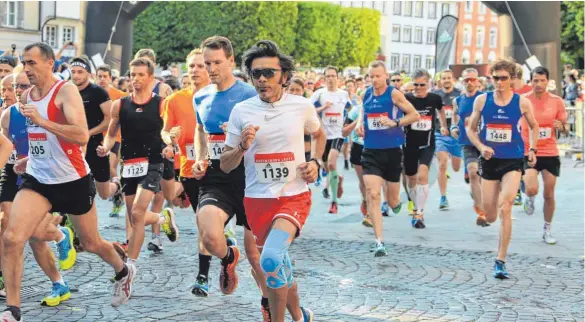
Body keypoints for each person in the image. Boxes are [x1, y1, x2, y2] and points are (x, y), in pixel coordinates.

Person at [1, 43, 136, 322]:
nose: (27, 69)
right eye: (24, 63)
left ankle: (123, 270)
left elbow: (80, 135)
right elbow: (39, 139)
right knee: (13, 238)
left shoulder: (65, 91)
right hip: (38, 179)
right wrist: (27, 159)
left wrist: (42, 119)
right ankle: (13, 310)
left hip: (72, 179)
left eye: (32, 63)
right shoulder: (26, 96)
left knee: (91, 243)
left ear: (50, 63)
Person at [221, 39, 323, 322]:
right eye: (256, 74)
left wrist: (315, 162)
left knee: (270, 259)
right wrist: (241, 146)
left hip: (293, 195)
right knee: (279, 264)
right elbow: (226, 164)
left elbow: (319, 134)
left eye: (269, 73)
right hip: (257, 200)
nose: (262, 79)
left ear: (285, 76)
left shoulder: (301, 106)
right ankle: (300, 317)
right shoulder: (242, 111)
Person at [191, 37, 265, 314]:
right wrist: (199, 158)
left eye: (217, 62)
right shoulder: (200, 96)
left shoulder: (249, 95)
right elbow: (201, 131)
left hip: (250, 177)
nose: (211, 68)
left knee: (256, 257)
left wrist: (238, 132)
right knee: (209, 234)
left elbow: (266, 135)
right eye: (207, 63)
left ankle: (269, 304)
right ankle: (227, 255)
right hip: (216, 175)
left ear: (231, 61)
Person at [0, 70, 76, 306]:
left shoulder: (49, 111)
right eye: (13, 87)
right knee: (8, 228)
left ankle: (61, 238)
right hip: (13, 174)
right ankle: (7, 280)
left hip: (40, 175)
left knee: (35, 236)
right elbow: (6, 145)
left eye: (23, 86)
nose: (16, 92)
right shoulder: (7, 115)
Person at [97, 57, 179, 268]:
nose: (136, 79)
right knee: (135, 217)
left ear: (151, 78)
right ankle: (163, 219)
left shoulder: (161, 104)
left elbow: (169, 131)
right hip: (130, 163)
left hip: (153, 161)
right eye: (133, 75)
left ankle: (130, 265)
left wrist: (171, 144)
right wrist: (106, 147)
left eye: (141, 75)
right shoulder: (120, 104)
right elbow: (111, 133)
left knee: (136, 213)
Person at [466, 58, 539, 279]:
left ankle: (501, 260)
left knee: (506, 206)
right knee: (490, 215)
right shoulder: (482, 100)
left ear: (512, 79)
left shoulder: (522, 103)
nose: (499, 82)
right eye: (495, 78)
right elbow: (470, 129)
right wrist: (481, 146)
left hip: (513, 160)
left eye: (503, 78)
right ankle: (485, 216)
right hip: (490, 160)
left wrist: (532, 149)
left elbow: (534, 126)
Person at [355, 60, 419, 257]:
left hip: (392, 151)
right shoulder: (366, 93)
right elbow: (363, 111)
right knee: (373, 193)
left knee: (392, 201)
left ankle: (396, 203)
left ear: (385, 76)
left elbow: (414, 115)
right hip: (370, 151)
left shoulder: (393, 93)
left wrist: (395, 122)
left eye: (377, 76)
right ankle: (379, 241)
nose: (374, 80)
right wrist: (359, 123)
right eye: (371, 76)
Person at [521, 67, 568, 244]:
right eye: (535, 80)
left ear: (547, 81)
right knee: (532, 188)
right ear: (530, 81)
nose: (538, 84)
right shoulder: (523, 100)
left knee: (549, 194)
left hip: (550, 151)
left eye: (542, 81)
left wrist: (561, 126)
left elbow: (565, 127)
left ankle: (547, 229)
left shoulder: (557, 101)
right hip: (528, 150)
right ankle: (529, 197)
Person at [403, 69, 447, 228]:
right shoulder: (406, 98)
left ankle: (420, 213)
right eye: (416, 85)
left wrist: (443, 126)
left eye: (422, 85)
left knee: (423, 175)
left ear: (428, 84)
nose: (419, 88)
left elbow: (441, 111)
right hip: (408, 144)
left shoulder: (434, 98)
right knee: (411, 179)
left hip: (427, 143)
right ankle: (415, 207)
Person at [310, 66, 352, 214]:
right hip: (323, 135)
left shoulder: (344, 94)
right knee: (327, 168)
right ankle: (337, 178)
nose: (330, 79)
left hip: (338, 134)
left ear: (338, 78)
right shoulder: (319, 93)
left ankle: (334, 202)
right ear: (324, 78)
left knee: (332, 163)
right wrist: (322, 108)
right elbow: (307, 109)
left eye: (333, 76)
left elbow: (351, 110)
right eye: (327, 76)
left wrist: (348, 125)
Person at [451, 68, 489, 227]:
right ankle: (481, 213)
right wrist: (453, 127)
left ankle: (480, 196)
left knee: (484, 177)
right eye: (466, 80)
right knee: (473, 173)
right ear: (462, 81)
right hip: (467, 142)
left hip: (485, 143)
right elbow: (455, 115)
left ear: (478, 81)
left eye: (472, 79)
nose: (469, 83)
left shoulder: (485, 99)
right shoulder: (458, 100)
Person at [96, 64, 128, 217]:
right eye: (99, 76)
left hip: (115, 136)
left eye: (105, 76)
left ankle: (118, 195)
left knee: (110, 167)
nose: (102, 79)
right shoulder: (91, 93)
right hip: (95, 137)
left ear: (110, 78)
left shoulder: (120, 95)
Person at [433, 69, 462, 210]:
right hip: (440, 133)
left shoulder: (459, 94)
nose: (446, 80)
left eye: (449, 78)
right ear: (440, 80)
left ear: (453, 79)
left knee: (456, 168)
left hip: (456, 135)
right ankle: (443, 197)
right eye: (444, 78)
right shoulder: (435, 95)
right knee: (442, 164)